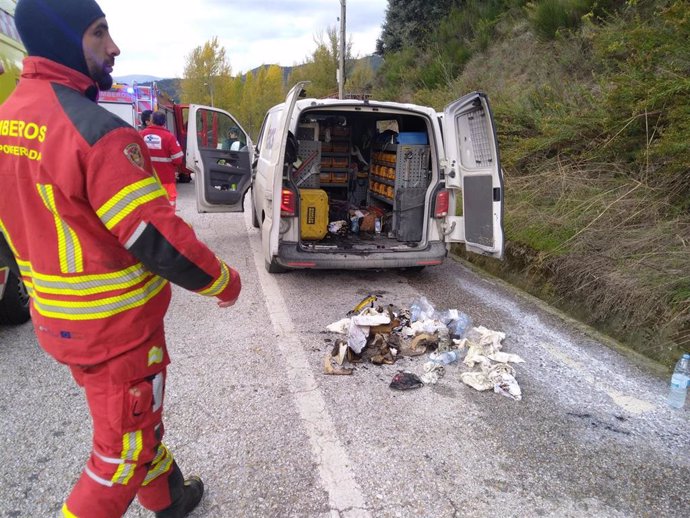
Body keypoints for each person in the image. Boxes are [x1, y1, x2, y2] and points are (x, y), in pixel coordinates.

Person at [0, 1, 241, 517]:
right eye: (99, 33)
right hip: (117, 332)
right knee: (119, 456)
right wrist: (224, 282)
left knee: (134, 424)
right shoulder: (96, 131)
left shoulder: (8, 121)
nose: (114, 47)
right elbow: (157, 238)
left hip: (59, 324)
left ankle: (170, 500)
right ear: (66, 40)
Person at [141, 111, 184, 207]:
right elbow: (178, 159)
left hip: (147, 179)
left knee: (150, 205)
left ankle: (152, 222)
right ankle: (167, 222)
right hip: (166, 178)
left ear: (151, 121)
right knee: (168, 204)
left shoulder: (142, 135)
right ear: (164, 122)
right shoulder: (169, 137)